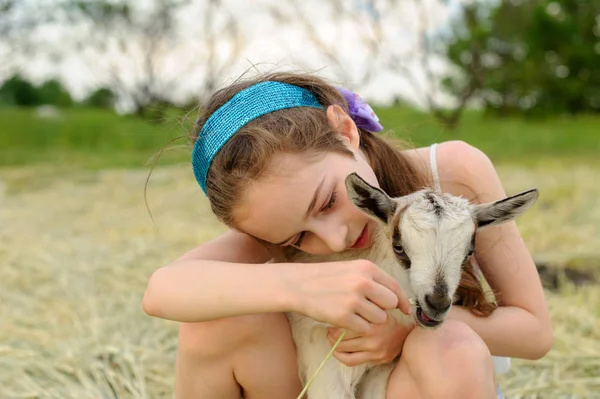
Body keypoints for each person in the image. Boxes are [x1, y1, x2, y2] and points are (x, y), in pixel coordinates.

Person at [142, 72, 553, 399]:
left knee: (450, 348)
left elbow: (533, 332)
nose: (334, 239)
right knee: (211, 324)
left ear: (345, 130)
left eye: (325, 203)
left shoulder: (451, 173)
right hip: (326, 380)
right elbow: (162, 290)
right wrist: (298, 285)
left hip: (427, 385)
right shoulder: (276, 222)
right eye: (298, 240)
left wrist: (407, 325)